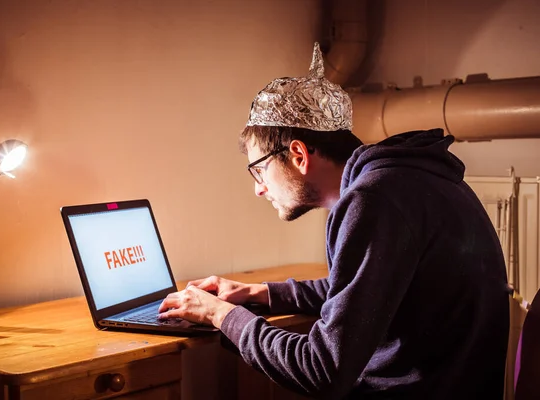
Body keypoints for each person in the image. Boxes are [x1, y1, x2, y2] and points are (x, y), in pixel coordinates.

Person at [158, 43, 510, 399]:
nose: (259, 190)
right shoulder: (410, 180)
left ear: (298, 155)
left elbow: (322, 370)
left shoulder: (374, 200)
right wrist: (260, 293)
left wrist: (222, 316)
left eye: (259, 170)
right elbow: (363, 291)